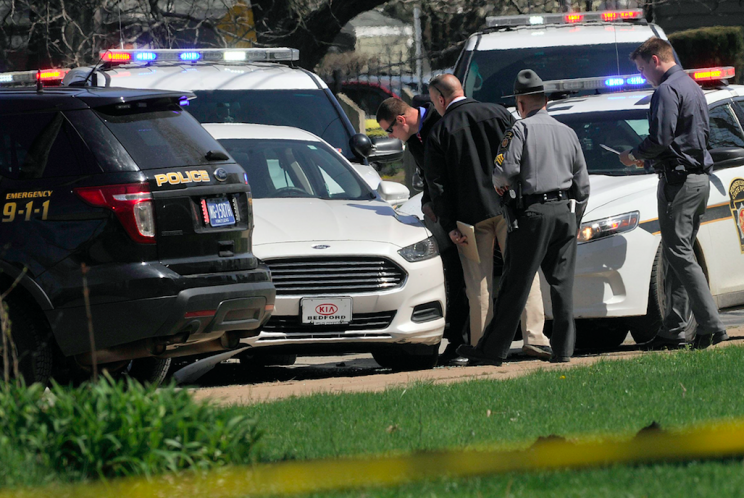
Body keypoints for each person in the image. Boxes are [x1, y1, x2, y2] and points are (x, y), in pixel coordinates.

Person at [457, 69, 590, 365]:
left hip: (533, 214)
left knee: (515, 283)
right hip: (564, 213)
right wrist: (575, 220)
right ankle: (564, 350)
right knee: (561, 285)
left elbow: (504, 172)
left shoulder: (519, 130)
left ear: (520, 101)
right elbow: (583, 185)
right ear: (545, 100)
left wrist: (504, 189)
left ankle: (491, 351)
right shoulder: (567, 132)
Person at [424, 73, 552, 360]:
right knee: (524, 275)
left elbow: (438, 186)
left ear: (441, 99)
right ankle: (535, 337)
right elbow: (523, 156)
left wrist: (448, 225)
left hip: (469, 217)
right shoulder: (498, 113)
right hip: (509, 208)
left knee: (478, 285)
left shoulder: (440, 130)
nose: (436, 107)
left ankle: (484, 345)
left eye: (435, 102)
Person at [619, 37, 728, 350]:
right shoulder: (692, 87)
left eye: (642, 69)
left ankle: (711, 324)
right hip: (697, 180)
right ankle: (675, 329)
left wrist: (634, 155)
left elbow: (662, 137)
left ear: (655, 60)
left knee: (678, 253)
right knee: (680, 254)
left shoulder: (667, 90)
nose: (643, 76)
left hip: (678, 183)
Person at [376, 97, 469, 362]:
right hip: (441, 213)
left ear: (401, 120)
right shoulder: (414, 138)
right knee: (452, 274)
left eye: (389, 130)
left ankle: (464, 341)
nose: (391, 136)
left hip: (460, 211)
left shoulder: (438, 125)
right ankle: (457, 339)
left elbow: (449, 173)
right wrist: (428, 201)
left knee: (465, 278)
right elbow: (430, 175)